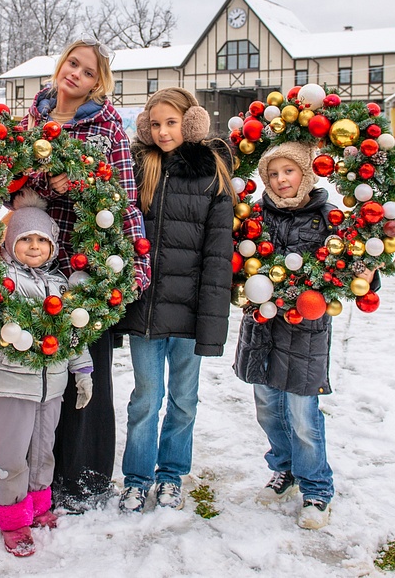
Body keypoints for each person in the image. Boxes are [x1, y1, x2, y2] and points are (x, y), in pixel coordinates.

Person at [22, 37, 150, 514]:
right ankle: (39, 476)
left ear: (99, 82)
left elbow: (122, 195)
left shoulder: (108, 127)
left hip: (86, 266)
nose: (75, 73)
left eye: (87, 70)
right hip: (34, 261)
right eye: (71, 63)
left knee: (86, 374)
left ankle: (85, 479)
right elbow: (13, 179)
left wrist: (135, 265)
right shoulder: (32, 119)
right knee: (42, 374)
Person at [233, 141, 379, 531]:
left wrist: (367, 273)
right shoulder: (254, 216)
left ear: (306, 173)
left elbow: (357, 257)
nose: (281, 180)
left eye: (289, 171)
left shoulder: (328, 218)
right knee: (266, 404)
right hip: (261, 323)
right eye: (273, 174)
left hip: (306, 328)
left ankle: (316, 487)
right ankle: (284, 469)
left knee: (302, 413)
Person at [115, 88, 236, 513]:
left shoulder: (212, 175)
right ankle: (136, 477)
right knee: (146, 398)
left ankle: (171, 475)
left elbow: (218, 255)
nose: (163, 131)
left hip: (190, 311)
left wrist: (211, 321)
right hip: (146, 309)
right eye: (156, 123)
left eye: (172, 122)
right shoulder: (137, 168)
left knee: (184, 399)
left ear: (190, 123)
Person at [0, 191, 94, 557]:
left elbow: (73, 333)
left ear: (53, 244)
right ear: (10, 241)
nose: (33, 247)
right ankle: (13, 519)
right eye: (25, 239)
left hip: (52, 386)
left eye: (41, 240)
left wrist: (82, 371)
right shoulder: (1, 281)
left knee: (43, 450)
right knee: (11, 455)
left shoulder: (60, 285)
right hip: (10, 384)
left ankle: (38, 503)